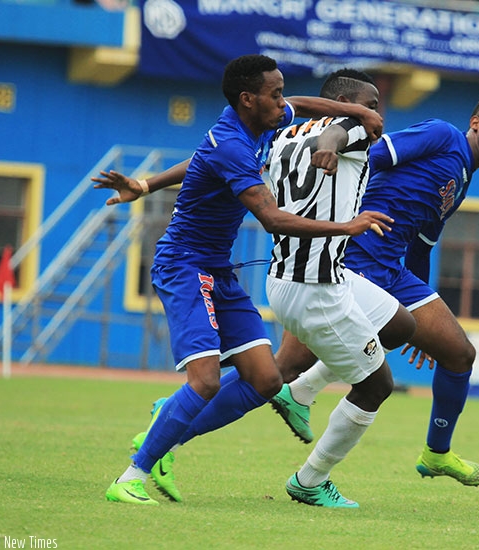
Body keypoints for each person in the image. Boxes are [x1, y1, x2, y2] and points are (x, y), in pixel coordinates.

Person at [99, 54, 392, 506]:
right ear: (247, 99)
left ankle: (166, 425)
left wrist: (145, 184)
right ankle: (130, 476)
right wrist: (347, 227)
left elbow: (285, 110)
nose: (283, 103)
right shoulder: (234, 145)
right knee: (206, 380)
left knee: (266, 379)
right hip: (184, 266)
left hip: (218, 269)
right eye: (273, 95)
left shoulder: (257, 122)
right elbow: (273, 218)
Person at [272, 92, 479, 487]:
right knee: (282, 368)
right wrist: (340, 209)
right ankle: (179, 413)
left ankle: (436, 454)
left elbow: (422, 245)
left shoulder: (461, 178)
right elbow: (371, 157)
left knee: (459, 354)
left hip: (392, 269)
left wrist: (420, 312)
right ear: (477, 123)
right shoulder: (442, 135)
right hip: (355, 256)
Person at [264, 68, 417, 507]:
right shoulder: (349, 126)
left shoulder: (285, 135)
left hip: (298, 273)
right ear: (346, 103)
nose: (377, 117)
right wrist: (331, 146)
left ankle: (301, 392)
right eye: (371, 106)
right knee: (376, 387)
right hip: (316, 286)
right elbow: (337, 131)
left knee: (399, 326)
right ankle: (309, 481)